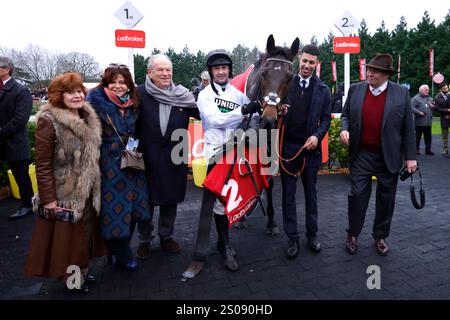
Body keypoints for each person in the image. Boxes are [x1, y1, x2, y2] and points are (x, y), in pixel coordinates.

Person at [24, 72, 104, 293]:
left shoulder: (88, 116)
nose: (77, 95)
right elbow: (42, 164)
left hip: (89, 188)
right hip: (64, 192)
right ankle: (72, 281)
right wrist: (48, 199)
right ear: (60, 96)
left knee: (85, 236)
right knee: (68, 242)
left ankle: (83, 273)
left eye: (79, 91)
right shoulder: (48, 121)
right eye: (71, 92)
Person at [188, 49, 260, 272]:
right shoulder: (205, 95)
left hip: (236, 153)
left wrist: (255, 116)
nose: (221, 72)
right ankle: (226, 245)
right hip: (215, 153)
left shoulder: (238, 94)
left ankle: (222, 240)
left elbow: (255, 114)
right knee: (219, 202)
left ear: (229, 70)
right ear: (211, 72)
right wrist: (244, 111)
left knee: (232, 199)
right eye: (217, 68)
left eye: (224, 68)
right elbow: (215, 119)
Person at [339, 53, 417, 256]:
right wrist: (343, 129)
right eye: (369, 69)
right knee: (357, 196)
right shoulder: (355, 89)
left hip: (388, 157)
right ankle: (353, 234)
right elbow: (346, 115)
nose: (369, 73)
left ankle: (380, 236)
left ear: (386, 74)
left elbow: (408, 128)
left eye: (375, 71)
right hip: (362, 154)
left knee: (386, 199)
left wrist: (410, 157)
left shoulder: (401, 94)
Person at [86, 63, 151, 271]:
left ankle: (117, 248)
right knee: (114, 209)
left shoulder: (133, 101)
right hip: (109, 162)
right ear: (105, 83)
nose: (118, 86)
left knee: (135, 208)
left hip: (132, 159)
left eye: (122, 82)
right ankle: (122, 252)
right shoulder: (95, 103)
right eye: (113, 81)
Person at [135, 54, 199, 259]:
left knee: (170, 200)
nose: (165, 73)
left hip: (174, 156)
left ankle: (166, 236)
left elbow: (207, 114)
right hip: (146, 158)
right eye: (160, 70)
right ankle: (145, 239)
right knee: (145, 202)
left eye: (168, 70)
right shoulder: (139, 94)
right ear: (149, 73)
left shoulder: (184, 96)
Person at [280, 45, 331, 259]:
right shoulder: (286, 85)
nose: (307, 66)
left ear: (317, 64)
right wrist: (280, 111)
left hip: (310, 149)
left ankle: (312, 235)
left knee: (311, 194)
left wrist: (317, 136)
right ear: (298, 60)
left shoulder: (323, 89)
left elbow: (327, 118)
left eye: (312, 62)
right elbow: (271, 108)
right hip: (288, 148)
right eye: (304, 61)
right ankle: (292, 237)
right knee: (288, 195)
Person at [0, 56, 34, 221]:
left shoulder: (21, 90)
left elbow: (20, 119)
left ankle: (27, 205)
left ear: (6, 70)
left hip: (15, 142)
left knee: (21, 177)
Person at [411, 84, 435, 155]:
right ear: (421, 90)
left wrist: (432, 106)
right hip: (419, 122)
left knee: (428, 137)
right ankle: (416, 150)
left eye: (428, 90)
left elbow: (434, 106)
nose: (428, 91)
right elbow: (411, 107)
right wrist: (419, 112)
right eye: (426, 90)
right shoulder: (415, 98)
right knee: (417, 137)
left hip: (428, 122)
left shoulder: (430, 98)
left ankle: (428, 150)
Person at [433, 82, 450, 155]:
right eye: (445, 88)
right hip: (444, 118)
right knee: (445, 135)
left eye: (447, 88)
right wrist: (447, 110)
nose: (447, 89)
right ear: (441, 89)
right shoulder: (437, 97)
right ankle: (445, 149)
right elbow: (437, 109)